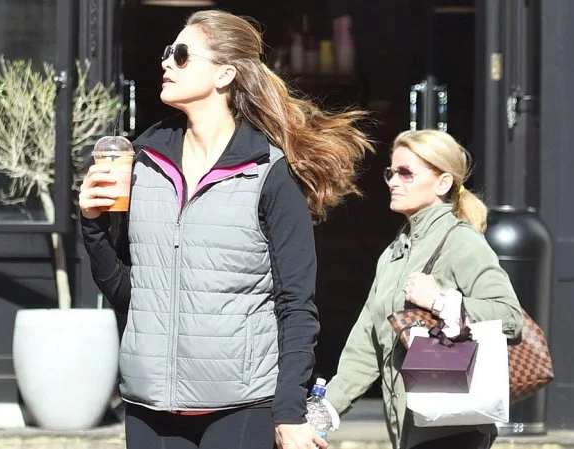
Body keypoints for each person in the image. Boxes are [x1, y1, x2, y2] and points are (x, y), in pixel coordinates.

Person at [78, 9, 373, 449]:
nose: (165, 63)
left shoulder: (269, 173)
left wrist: (289, 411)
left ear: (225, 75)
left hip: (242, 407)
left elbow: (296, 305)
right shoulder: (142, 163)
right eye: (166, 53)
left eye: (180, 55)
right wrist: (94, 226)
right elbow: (129, 295)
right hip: (150, 407)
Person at [325, 129, 524, 449]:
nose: (393, 181)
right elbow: (367, 343)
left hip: (452, 428)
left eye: (406, 173)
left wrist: (442, 301)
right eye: (391, 172)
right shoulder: (393, 254)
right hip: (408, 429)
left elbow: (511, 317)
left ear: (443, 183)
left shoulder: (461, 241)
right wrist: (327, 408)